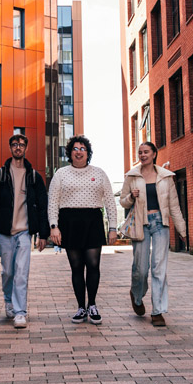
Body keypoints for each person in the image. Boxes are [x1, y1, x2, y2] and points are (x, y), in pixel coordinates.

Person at [48, 135, 118, 324]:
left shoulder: (100, 173)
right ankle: (81, 307)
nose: (79, 152)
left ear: (88, 153)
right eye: (75, 149)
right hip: (69, 223)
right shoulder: (61, 174)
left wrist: (113, 228)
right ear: (70, 153)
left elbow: (110, 202)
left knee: (93, 265)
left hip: (92, 221)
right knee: (77, 267)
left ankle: (92, 305)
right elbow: (52, 201)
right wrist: (54, 226)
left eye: (82, 149)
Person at [0, 134, 49, 329]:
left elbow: (43, 206)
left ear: (26, 148)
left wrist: (43, 234)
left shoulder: (34, 177)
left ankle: (20, 312)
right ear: (10, 147)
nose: (18, 147)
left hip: (24, 232)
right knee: (8, 272)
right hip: (4, 233)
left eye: (21, 145)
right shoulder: (0, 175)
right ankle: (8, 299)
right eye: (14, 144)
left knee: (22, 272)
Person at [120, 142, 187, 327]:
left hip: (160, 224)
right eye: (140, 152)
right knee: (140, 269)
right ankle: (137, 295)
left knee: (159, 268)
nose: (142, 155)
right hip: (141, 224)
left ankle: (158, 311)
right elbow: (123, 202)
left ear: (154, 154)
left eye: (146, 152)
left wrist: (182, 229)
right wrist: (131, 197)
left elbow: (174, 205)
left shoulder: (166, 177)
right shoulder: (132, 175)